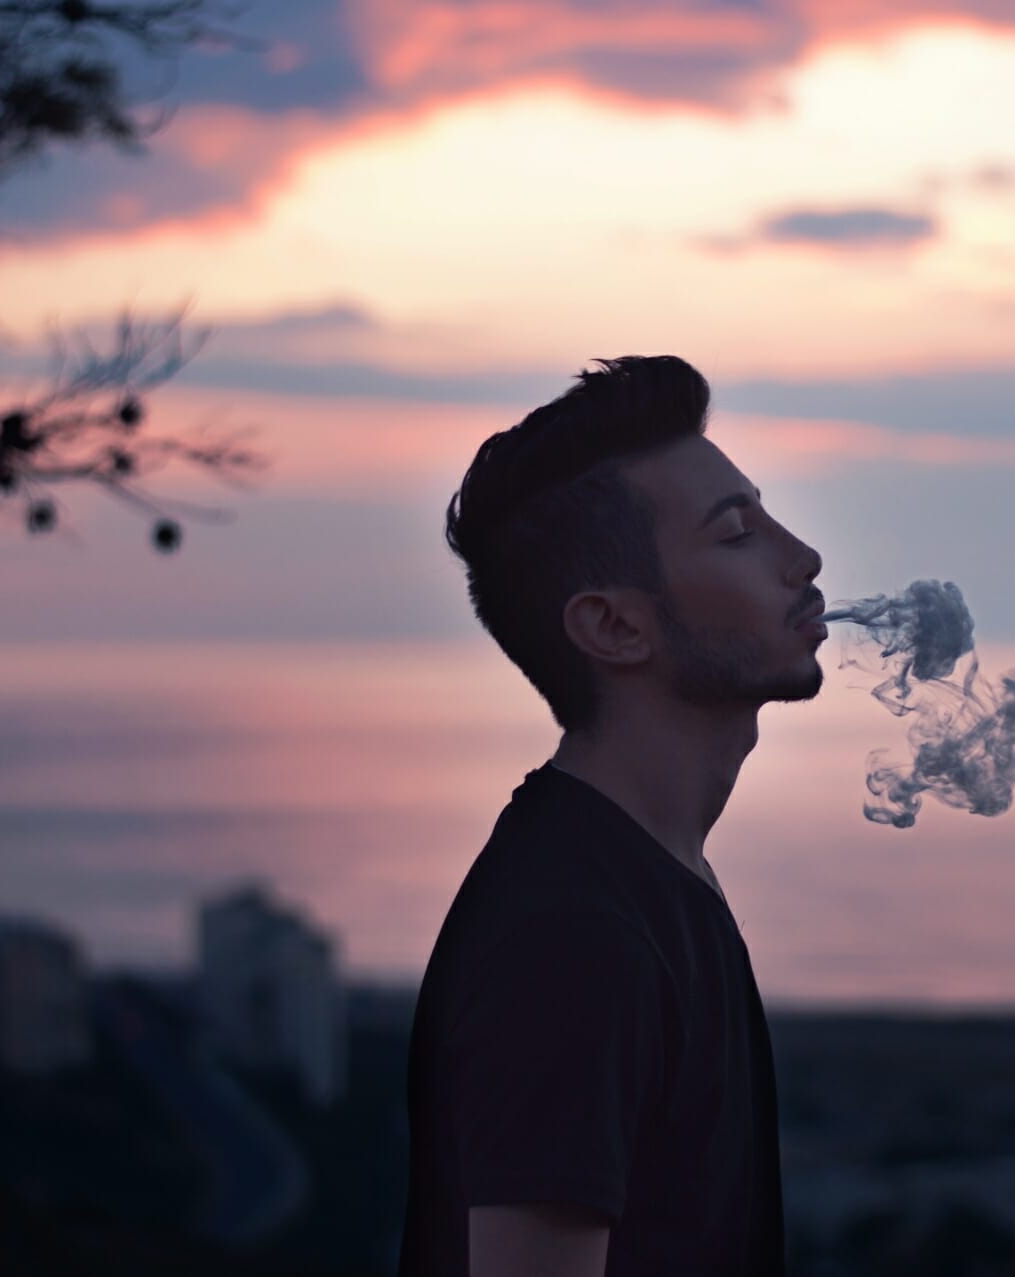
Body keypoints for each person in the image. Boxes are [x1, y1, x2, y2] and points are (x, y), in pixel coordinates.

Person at [397, 355, 828, 1276]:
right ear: (616, 628)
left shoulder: (655, 876)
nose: (803, 557)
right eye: (736, 533)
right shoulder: (571, 937)